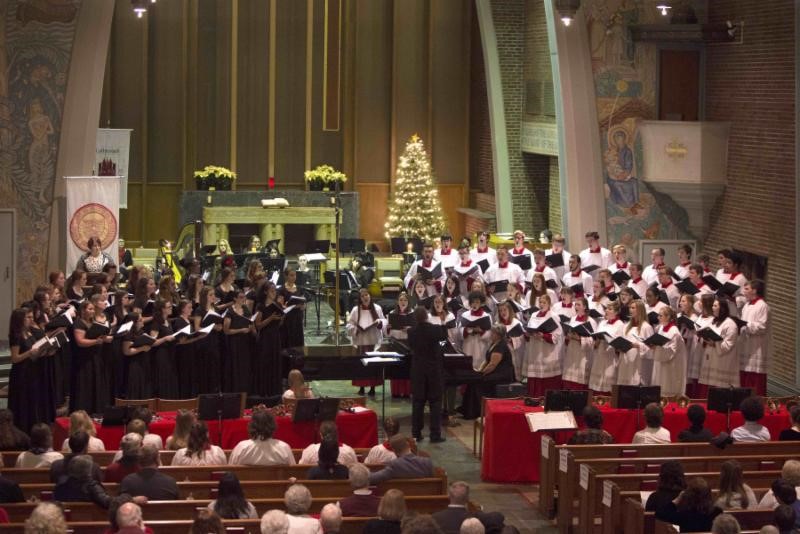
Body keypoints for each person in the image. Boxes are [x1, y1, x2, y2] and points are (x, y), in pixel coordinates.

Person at [8, 307, 56, 435]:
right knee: (23, 401)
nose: (31, 319)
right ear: (20, 320)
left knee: (33, 400)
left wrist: (46, 350)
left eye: (31, 317)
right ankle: (22, 430)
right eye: (28, 317)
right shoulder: (16, 335)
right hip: (21, 373)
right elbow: (15, 358)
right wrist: (29, 352)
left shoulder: (29, 332)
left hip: (32, 371)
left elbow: (35, 351)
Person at [407, 306, 447, 441]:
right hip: (434, 371)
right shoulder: (434, 329)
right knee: (435, 403)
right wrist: (442, 322)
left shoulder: (411, 332)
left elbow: (411, 346)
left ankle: (416, 433)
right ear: (426, 316)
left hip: (418, 371)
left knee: (418, 403)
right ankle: (435, 434)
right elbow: (444, 336)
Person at [346, 288, 387, 396]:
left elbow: (383, 321)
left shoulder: (377, 308)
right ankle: (361, 387)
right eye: (363, 296)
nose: (365, 297)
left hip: (373, 340)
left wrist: (379, 323)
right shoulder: (356, 310)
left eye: (367, 295)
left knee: (373, 365)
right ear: (360, 298)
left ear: (370, 296)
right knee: (361, 365)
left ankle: (373, 387)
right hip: (361, 341)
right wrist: (356, 329)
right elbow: (349, 325)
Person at [697, 296, 740, 398]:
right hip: (711, 359)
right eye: (712, 305)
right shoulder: (713, 321)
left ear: (722, 308)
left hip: (722, 362)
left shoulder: (730, 324)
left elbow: (728, 345)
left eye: (715, 305)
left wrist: (714, 343)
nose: (712, 308)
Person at [431, 481, 505, 534]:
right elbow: (498, 517)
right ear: (467, 499)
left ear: (449, 497)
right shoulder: (475, 519)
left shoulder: (434, 518)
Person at [526, 294, 563, 396]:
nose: (542, 304)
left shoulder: (553, 316)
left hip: (547, 352)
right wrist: (530, 333)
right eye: (540, 302)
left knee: (547, 381)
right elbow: (530, 328)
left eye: (544, 302)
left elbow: (557, 335)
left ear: (549, 304)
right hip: (535, 351)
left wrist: (544, 335)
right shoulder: (534, 315)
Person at [228, 410, 295, 465]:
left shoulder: (242, 447)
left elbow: (230, 472)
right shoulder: (283, 447)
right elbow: (293, 473)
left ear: (251, 426)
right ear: (273, 426)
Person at [655, 477, 722, 532]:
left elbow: (660, 514)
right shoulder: (717, 512)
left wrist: (677, 500)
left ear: (688, 495)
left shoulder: (684, 514)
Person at [739, 279, 770, 396]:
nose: (744, 291)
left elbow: (762, 327)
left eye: (747, 289)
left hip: (756, 347)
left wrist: (746, 324)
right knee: (744, 376)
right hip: (745, 344)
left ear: (755, 291)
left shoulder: (763, 306)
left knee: (754, 378)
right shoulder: (747, 305)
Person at [588, 301, 626, 395]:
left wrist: (609, 339)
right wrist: (596, 340)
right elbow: (595, 340)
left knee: (608, 386)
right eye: (606, 309)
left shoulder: (620, 324)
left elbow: (620, 343)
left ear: (616, 312)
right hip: (599, 356)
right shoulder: (602, 323)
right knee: (596, 387)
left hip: (611, 358)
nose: (606, 311)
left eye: (610, 309)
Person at [222, 290, 255, 395]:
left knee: (244, 366)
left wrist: (251, 328)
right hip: (234, 343)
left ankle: (245, 390)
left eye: (244, 297)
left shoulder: (245, 309)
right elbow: (226, 330)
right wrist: (240, 330)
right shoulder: (230, 311)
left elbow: (251, 322)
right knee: (235, 366)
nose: (243, 299)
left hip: (245, 342)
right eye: (241, 297)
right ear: (235, 298)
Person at [649, 306, 688, 397]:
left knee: (668, 389)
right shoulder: (661, 328)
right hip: (662, 364)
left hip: (671, 365)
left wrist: (656, 348)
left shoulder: (674, 332)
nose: (658, 318)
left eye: (661, 316)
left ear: (668, 317)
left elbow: (670, 351)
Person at [561, 297, 597, 390]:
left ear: (585, 307)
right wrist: (568, 337)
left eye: (579, 305)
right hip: (571, 352)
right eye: (575, 304)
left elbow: (593, 341)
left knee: (579, 383)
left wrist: (579, 338)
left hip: (582, 355)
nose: (576, 306)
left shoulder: (590, 321)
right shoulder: (572, 319)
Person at [369, 434, 434, 485]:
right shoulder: (427, 462)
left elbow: (372, 478)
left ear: (394, 450)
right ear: (408, 445)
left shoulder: (394, 465)